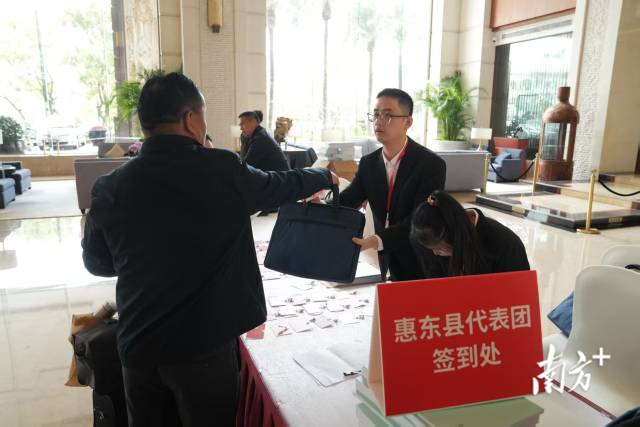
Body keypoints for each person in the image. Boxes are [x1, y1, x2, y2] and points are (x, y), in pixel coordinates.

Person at [81, 73, 338, 426]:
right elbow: (277, 186)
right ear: (190, 119)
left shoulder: (110, 186)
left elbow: (97, 263)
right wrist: (323, 176)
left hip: (139, 345)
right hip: (203, 348)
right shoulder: (220, 169)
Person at [338, 88, 446, 281]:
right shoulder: (369, 163)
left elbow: (420, 219)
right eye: (376, 114)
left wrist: (376, 240)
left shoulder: (431, 165)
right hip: (388, 257)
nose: (379, 121)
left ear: (408, 122)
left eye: (387, 115)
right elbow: (347, 201)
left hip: (421, 260)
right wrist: (321, 204)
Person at [410, 190, 530, 277]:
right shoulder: (428, 239)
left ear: (455, 235)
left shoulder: (505, 244)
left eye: (439, 248)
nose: (435, 253)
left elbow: (519, 293)